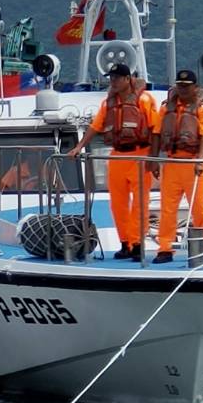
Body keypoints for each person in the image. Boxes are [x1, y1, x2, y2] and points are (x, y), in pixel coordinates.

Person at [68, 63, 159, 260]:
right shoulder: (107, 103)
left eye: (117, 77)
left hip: (140, 155)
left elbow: (155, 129)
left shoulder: (144, 100)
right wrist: (79, 146)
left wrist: (154, 158)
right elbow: (95, 126)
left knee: (139, 204)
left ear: (128, 79)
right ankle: (125, 242)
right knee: (117, 204)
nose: (113, 81)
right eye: (111, 78)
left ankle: (137, 243)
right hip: (117, 155)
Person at [150, 69, 203, 264]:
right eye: (180, 85)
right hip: (172, 162)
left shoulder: (202, 108)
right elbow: (157, 133)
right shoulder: (166, 108)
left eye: (187, 86)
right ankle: (165, 248)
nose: (183, 89)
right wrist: (154, 160)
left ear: (195, 87)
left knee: (199, 207)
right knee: (168, 208)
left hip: (193, 162)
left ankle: (202, 245)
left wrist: (199, 160)